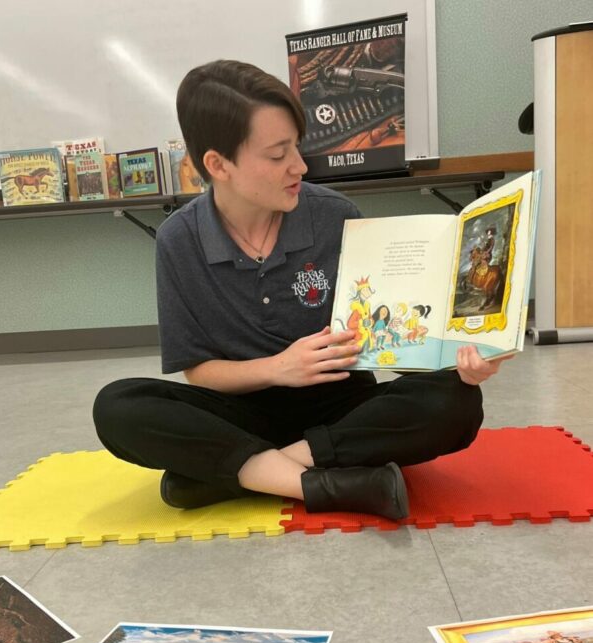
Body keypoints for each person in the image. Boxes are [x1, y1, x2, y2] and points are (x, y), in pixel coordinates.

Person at [93, 59, 508, 521]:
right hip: (238, 412)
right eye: (277, 154)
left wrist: (457, 359)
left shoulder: (334, 215)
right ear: (218, 164)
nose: (299, 165)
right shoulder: (178, 240)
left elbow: (392, 334)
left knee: (456, 401)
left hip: (341, 407)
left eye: (296, 146)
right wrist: (278, 368)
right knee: (117, 406)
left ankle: (242, 474)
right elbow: (199, 372)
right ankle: (326, 481)